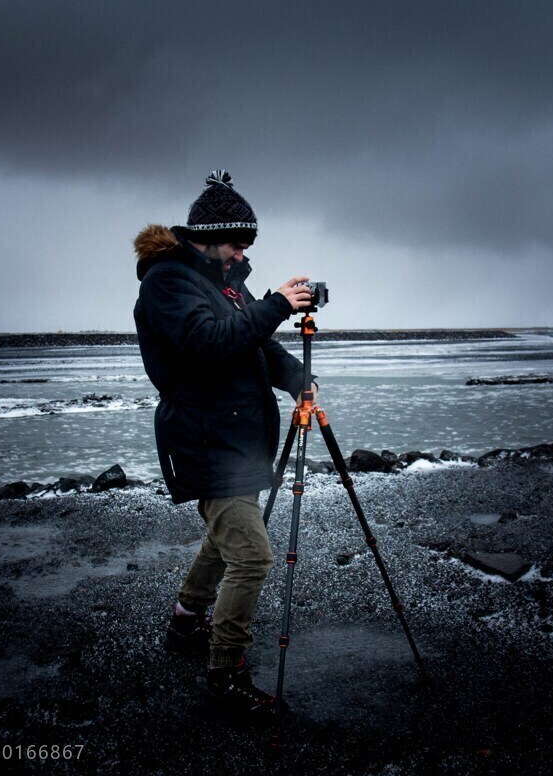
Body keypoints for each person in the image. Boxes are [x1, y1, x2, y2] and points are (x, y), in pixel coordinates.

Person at [132, 170, 315, 718]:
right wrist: (277, 305)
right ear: (206, 237)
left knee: (226, 538)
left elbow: (252, 347)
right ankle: (226, 673)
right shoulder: (168, 282)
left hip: (239, 438)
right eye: (237, 243)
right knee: (253, 556)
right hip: (206, 438)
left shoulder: (224, 282)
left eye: (247, 246)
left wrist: (298, 381)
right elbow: (210, 343)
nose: (242, 254)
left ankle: (186, 621)